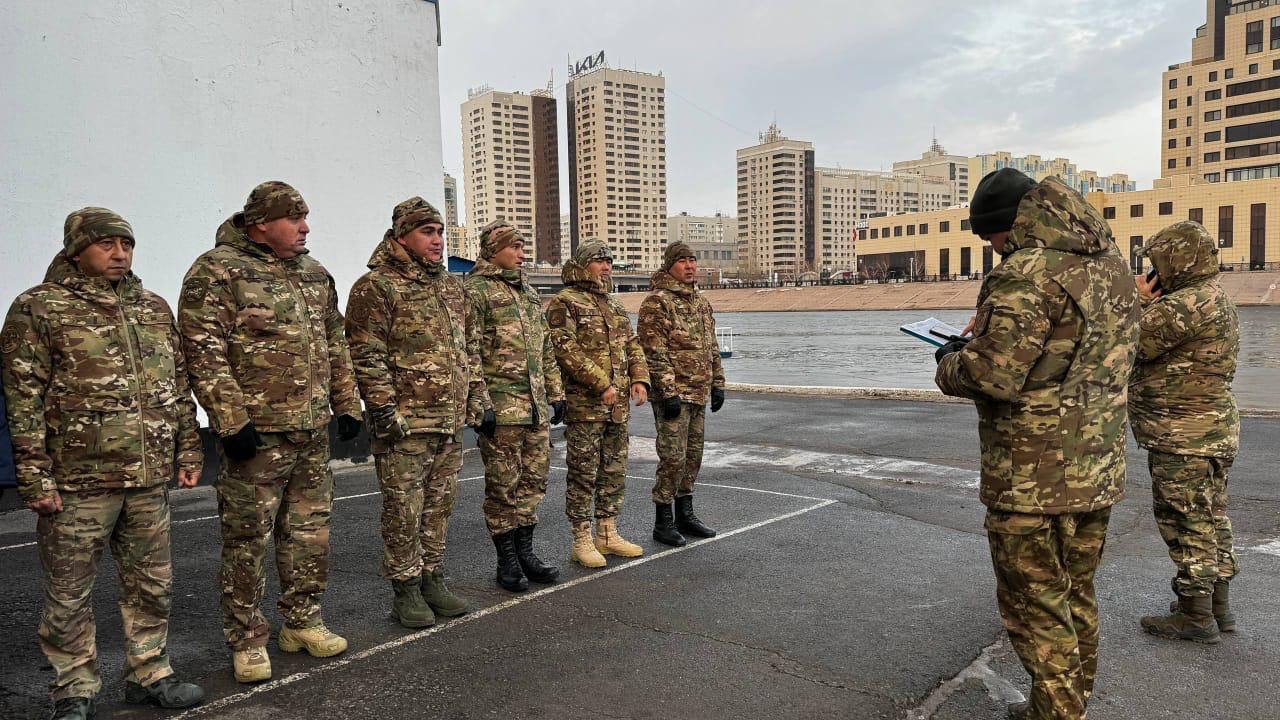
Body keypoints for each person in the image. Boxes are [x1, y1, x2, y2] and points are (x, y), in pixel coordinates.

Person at [935, 169, 1139, 720]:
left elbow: (993, 375)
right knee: (1076, 596)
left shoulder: (1025, 274)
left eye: (989, 238)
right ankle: (1062, 705)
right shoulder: (1113, 270)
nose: (992, 250)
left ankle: (1057, 713)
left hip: (1031, 477)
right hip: (1096, 468)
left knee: (1035, 608)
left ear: (1009, 226)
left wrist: (950, 360)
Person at [1, 208, 204, 719]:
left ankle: (149, 672)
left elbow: (176, 386)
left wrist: (188, 448)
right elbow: (22, 399)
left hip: (147, 476)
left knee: (152, 584)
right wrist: (33, 474)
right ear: (76, 249)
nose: (120, 254)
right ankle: (74, 689)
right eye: (107, 244)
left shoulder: (152, 308)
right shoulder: (39, 308)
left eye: (127, 245)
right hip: (76, 482)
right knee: (69, 593)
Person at [178, 182, 363, 683]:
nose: (305, 228)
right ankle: (247, 639)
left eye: (305, 218)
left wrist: (347, 404)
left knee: (309, 535)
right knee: (247, 540)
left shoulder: (314, 273)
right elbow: (202, 351)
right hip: (256, 438)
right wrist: (229, 420)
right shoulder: (216, 271)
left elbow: (335, 342)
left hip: (311, 431)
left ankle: (302, 622)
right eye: (294, 219)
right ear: (260, 223)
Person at [345, 197, 490, 627]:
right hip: (406, 424)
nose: (438, 240)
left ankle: (432, 576)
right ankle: (405, 587)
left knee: (439, 507)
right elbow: (366, 355)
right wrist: (386, 412)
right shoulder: (376, 287)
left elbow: (468, 349)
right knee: (403, 509)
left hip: (448, 420)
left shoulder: (449, 286)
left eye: (441, 232)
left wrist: (475, 399)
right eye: (428, 232)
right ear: (402, 235)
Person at [1129, 221, 1240, 644]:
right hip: (1211, 430)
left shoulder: (1183, 305)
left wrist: (1139, 302)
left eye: (1158, 261)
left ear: (1178, 259)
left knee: (1184, 520)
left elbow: (1127, 342)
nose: (1154, 269)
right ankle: (1217, 605)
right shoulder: (1215, 296)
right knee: (1211, 516)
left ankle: (1196, 615)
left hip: (1183, 434)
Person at [464, 220, 565, 592]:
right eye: (516, 247)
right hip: (501, 410)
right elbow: (468, 351)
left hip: (535, 408)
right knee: (503, 485)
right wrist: (480, 402)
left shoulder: (528, 294)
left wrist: (555, 393)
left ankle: (527, 552)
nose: (523, 254)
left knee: (534, 482)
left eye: (523, 247)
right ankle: (506, 560)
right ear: (494, 250)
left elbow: (546, 350)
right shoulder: (475, 292)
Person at [545, 240, 650, 567]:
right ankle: (581, 538)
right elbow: (566, 352)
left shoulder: (614, 306)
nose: (606, 266)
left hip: (617, 408)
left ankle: (608, 532)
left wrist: (640, 378)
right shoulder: (565, 303)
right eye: (599, 261)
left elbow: (632, 345)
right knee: (583, 473)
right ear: (582, 264)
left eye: (608, 261)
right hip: (585, 406)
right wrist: (601, 383)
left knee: (614, 470)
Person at [636, 242, 725, 547]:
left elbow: (711, 346)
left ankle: (685, 514)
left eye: (693, 260)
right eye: (683, 261)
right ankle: (663, 522)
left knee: (693, 457)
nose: (690, 266)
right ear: (670, 265)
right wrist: (667, 390)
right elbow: (653, 351)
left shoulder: (700, 302)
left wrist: (718, 384)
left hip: (699, 391)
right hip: (674, 395)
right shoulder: (657, 303)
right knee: (672, 458)